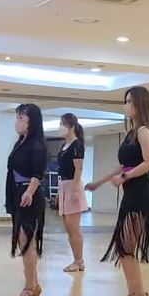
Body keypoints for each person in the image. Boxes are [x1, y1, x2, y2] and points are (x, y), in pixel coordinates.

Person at [85, 86, 149, 296]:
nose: (126, 105)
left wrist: (125, 177)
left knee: (126, 247)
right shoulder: (130, 134)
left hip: (140, 194)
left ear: (140, 104)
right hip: (130, 194)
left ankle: (140, 295)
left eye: (130, 101)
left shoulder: (143, 131)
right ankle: (133, 293)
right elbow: (122, 165)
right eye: (125, 101)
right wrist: (100, 182)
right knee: (123, 248)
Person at [6, 104, 48, 296]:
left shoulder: (37, 143)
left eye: (21, 118)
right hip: (16, 193)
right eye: (17, 117)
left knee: (26, 241)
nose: (17, 122)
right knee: (23, 241)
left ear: (32, 122)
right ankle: (34, 284)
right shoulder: (20, 142)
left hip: (28, 194)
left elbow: (37, 173)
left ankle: (29, 287)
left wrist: (29, 192)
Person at [57, 113, 88, 272]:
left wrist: (75, 190)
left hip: (72, 185)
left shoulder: (77, 145)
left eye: (62, 124)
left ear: (71, 127)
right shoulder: (64, 145)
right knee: (68, 228)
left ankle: (79, 261)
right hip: (63, 185)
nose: (60, 128)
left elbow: (78, 169)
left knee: (73, 227)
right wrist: (59, 192)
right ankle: (76, 260)